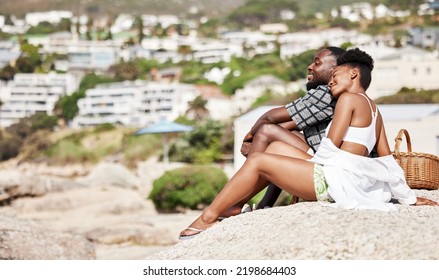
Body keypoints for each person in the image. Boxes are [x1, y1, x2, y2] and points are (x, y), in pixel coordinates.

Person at [179, 47, 438, 240]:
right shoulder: (374, 109)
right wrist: (409, 198)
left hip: (335, 181)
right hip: (349, 178)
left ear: (354, 74)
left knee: (260, 160)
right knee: (277, 149)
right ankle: (239, 206)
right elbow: (387, 159)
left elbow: (329, 147)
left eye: (336, 75)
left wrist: (298, 168)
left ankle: (206, 219)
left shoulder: (348, 100)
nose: (332, 81)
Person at [221, 46, 346, 218]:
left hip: (327, 169)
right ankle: (265, 204)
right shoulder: (335, 94)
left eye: (317, 63)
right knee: (277, 136)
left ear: (335, 70)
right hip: (325, 161)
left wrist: (251, 137)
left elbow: (270, 117)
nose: (310, 66)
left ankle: (235, 201)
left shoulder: (325, 93)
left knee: (266, 130)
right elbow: (292, 123)